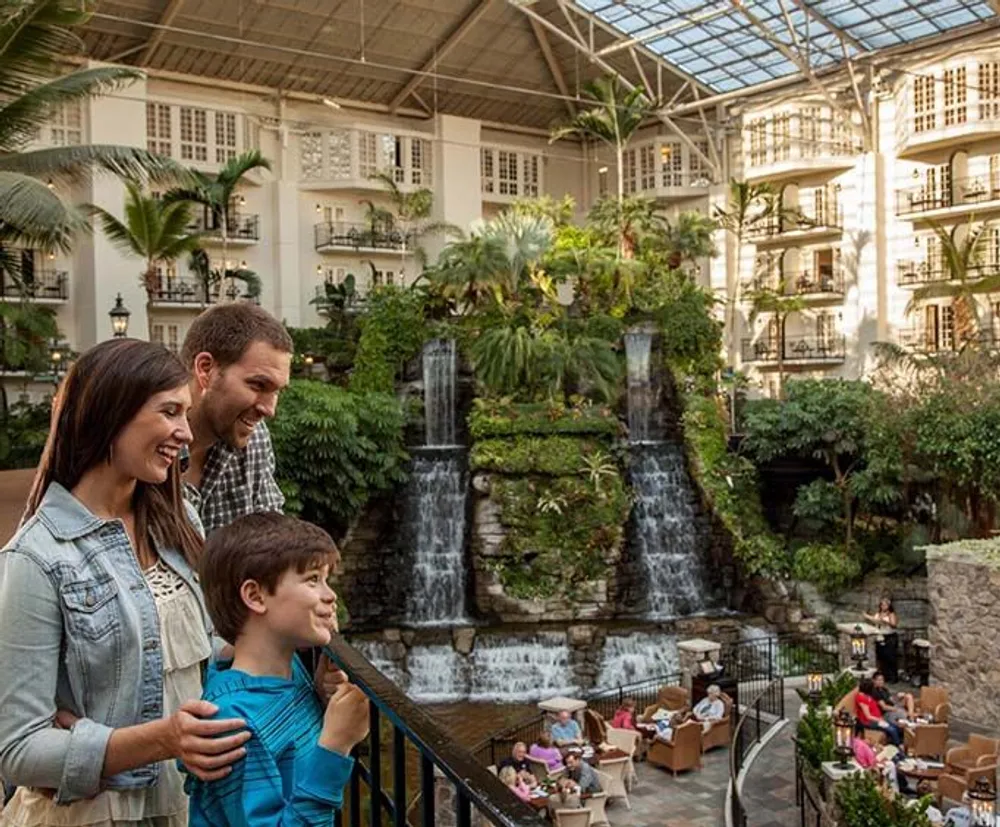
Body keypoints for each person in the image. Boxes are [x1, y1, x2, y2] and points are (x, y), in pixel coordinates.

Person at [0, 339, 250, 827]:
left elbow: (211, 648)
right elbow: (18, 750)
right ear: (111, 413)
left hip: (184, 805)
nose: (184, 431)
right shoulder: (35, 558)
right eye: (170, 412)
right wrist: (163, 739)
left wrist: (294, 652)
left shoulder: (181, 525)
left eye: (187, 413)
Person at [186, 512, 370, 826]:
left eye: (326, 580)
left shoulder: (289, 672)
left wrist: (323, 701)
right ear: (255, 596)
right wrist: (336, 745)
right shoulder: (232, 723)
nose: (330, 595)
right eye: (313, 580)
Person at [180, 303, 293, 535]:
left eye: (277, 391)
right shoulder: (142, 446)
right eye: (258, 385)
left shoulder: (255, 437)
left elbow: (270, 543)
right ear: (205, 370)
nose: (269, 409)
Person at [856, 678, 903, 747]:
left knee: (896, 727)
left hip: (877, 719)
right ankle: (898, 745)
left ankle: (896, 742)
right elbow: (868, 716)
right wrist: (879, 720)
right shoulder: (861, 698)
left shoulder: (866, 695)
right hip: (870, 722)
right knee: (892, 729)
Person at [865, 596, 899, 682]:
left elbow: (894, 624)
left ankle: (893, 677)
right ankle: (885, 677)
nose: (883, 607)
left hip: (890, 637)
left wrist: (886, 621)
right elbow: (874, 621)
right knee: (882, 658)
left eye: (885, 605)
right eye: (882, 605)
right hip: (880, 637)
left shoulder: (891, 614)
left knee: (890, 657)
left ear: (889, 606)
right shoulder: (878, 614)